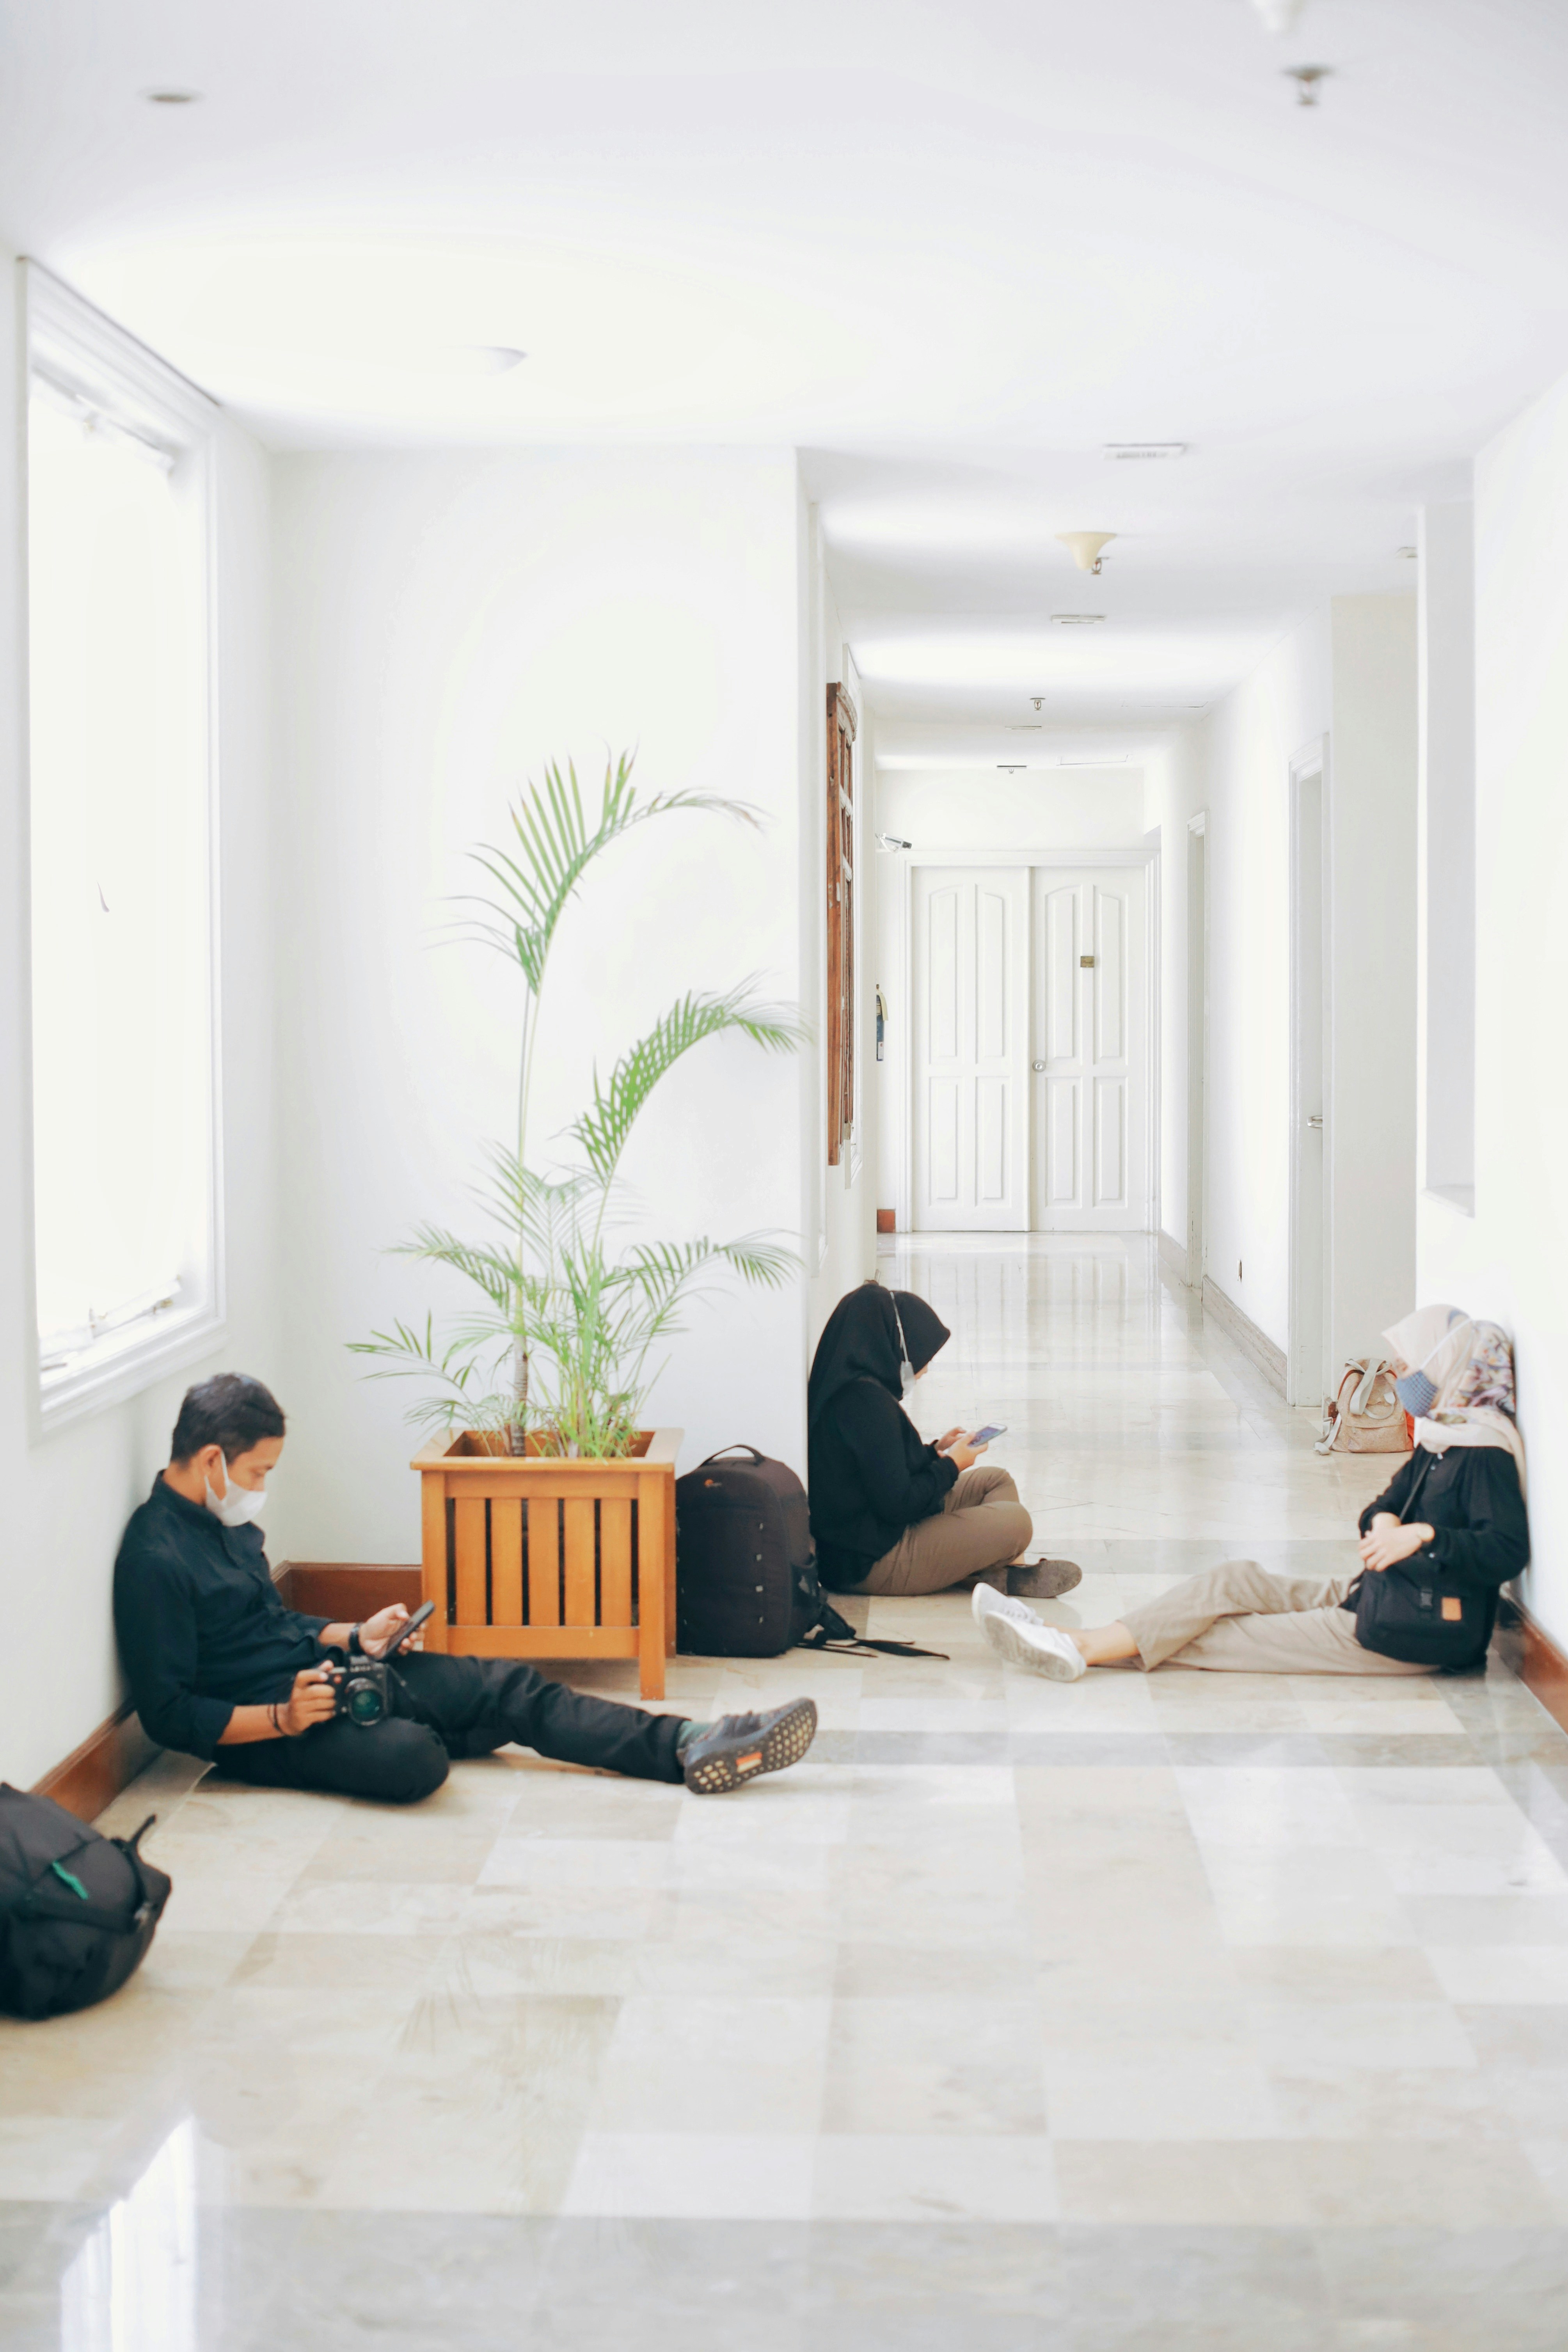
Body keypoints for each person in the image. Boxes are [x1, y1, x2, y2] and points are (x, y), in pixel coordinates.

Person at [114, 1374, 817, 1803]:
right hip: (270, 1721)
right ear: (212, 1459)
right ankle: (435, 1723)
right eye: (258, 1472)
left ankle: (691, 1741)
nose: (261, 1487)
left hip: (327, 1674)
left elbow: (271, 1620)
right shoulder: (154, 1560)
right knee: (414, 1760)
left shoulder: (226, 1521)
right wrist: (283, 1719)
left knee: (510, 1686)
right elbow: (169, 1714)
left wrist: (355, 1634)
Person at [974, 1305, 1529, 1680]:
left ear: (1448, 1367)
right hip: (1379, 1593)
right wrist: (1385, 1523)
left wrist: (1423, 1536)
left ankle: (1075, 1645)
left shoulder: (1483, 1453)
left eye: (1408, 1365)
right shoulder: (1442, 1437)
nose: (1399, 1375)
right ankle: (1073, 1639)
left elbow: (1506, 1549)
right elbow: (1380, 1507)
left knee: (1229, 1634)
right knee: (1233, 1578)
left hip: (1410, 1629)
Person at [807, 1279, 1080, 1599]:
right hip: (877, 1560)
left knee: (995, 1480)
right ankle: (999, 1574)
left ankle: (1000, 1575)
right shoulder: (866, 1405)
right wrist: (952, 1465)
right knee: (1017, 1523)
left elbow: (878, 1469)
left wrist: (933, 1452)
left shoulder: (853, 1390)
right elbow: (900, 1504)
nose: (924, 1369)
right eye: (922, 1356)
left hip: (871, 1538)